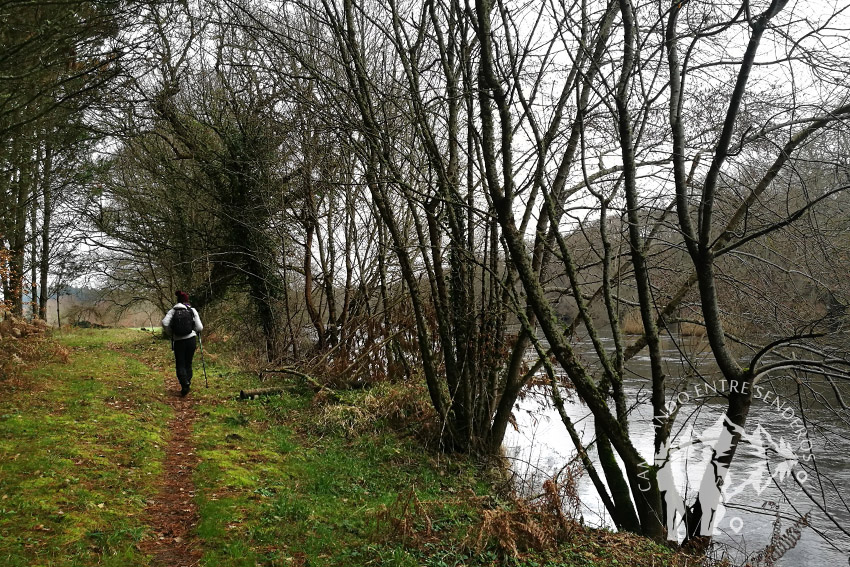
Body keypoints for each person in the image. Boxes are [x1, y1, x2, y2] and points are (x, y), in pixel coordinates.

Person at [161, 290, 203, 396]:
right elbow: (200, 327)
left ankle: (184, 383)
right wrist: (193, 330)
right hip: (191, 340)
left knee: (180, 363)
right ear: (187, 301)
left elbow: (165, 323)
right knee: (188, 363)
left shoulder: (173, 311)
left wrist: (171, 333)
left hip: (178, 341)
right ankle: (187, 382)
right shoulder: (192, 310)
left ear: (178, 300)